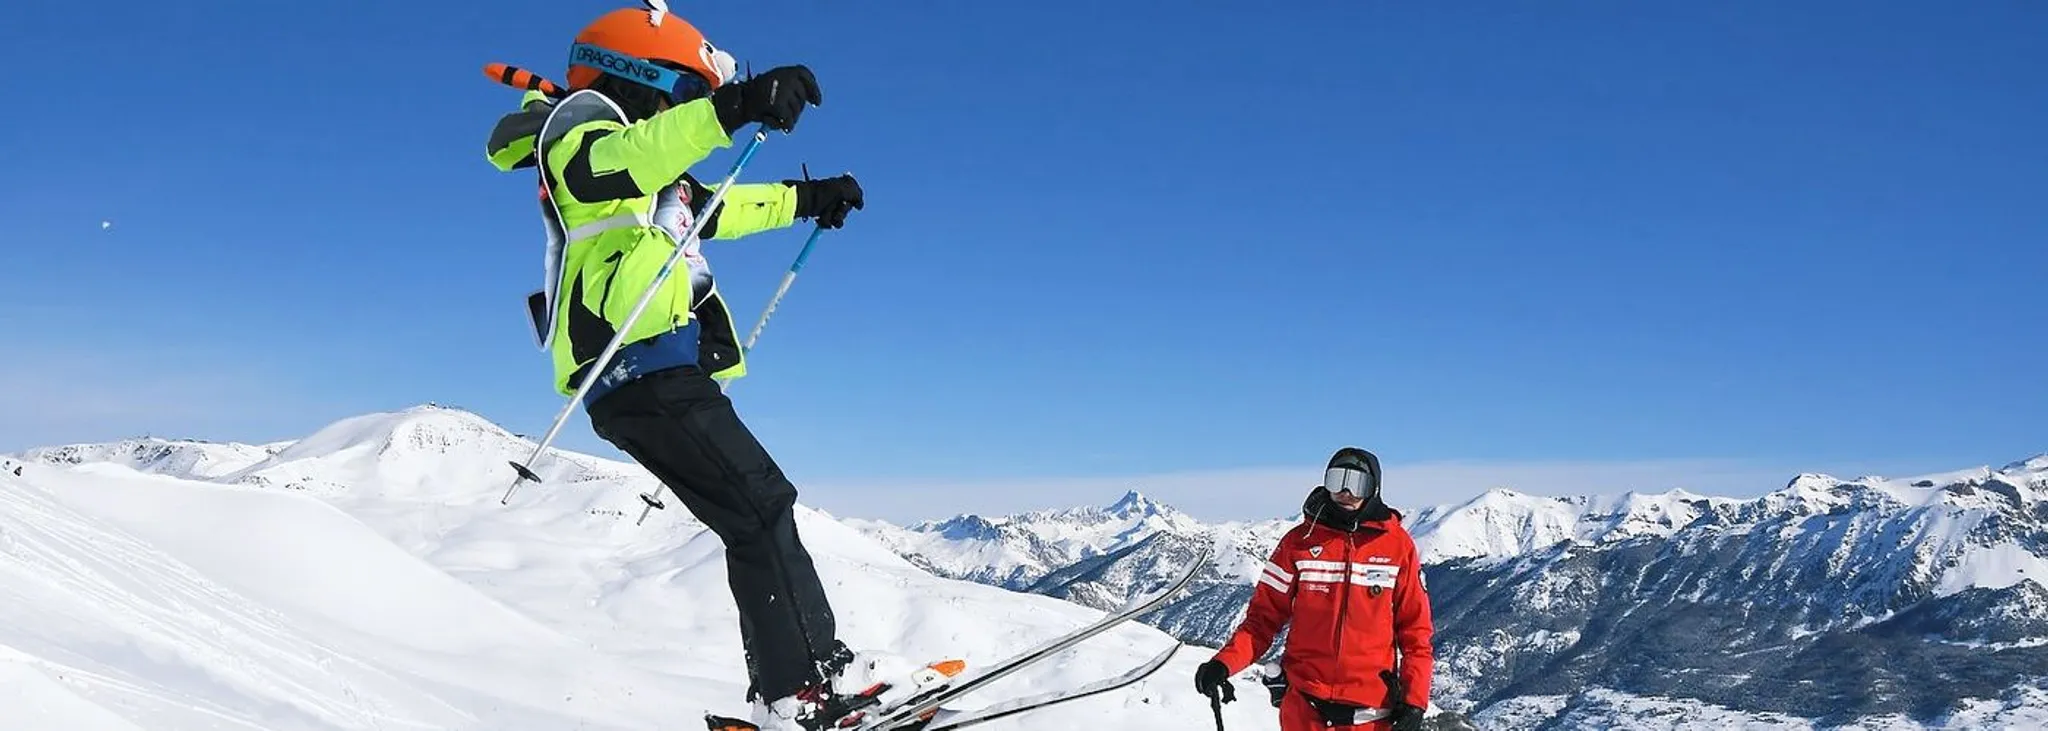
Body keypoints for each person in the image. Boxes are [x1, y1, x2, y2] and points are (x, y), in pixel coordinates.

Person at [481, 4, 881, 730]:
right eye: (688, 94)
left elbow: (724, 206)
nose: (691, 112)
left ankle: (793, 687)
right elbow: (628, 160)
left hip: (661, 367)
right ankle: (801, 693)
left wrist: (810, 198)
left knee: (755, 508)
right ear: (644, 76)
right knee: (760, 506)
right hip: (633, 365)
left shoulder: (655, 175)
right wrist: (734, 107)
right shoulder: (577, 137)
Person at [1196, 447, 1435, 731]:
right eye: (1337, 480)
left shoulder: (1397, 546)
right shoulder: (1298, 543)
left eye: (1357, 483)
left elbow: (1415, 632)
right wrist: (1224, 664)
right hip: (1304, 711)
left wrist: (1415, 699)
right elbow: (1262, 620)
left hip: (1369, 715)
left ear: (1374, 489)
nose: (1346, 492)